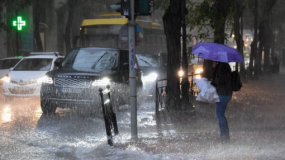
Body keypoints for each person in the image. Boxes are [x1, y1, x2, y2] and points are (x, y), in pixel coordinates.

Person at [211, 61, 232, 141]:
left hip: (223, 93)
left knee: (219, 114)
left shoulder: (221, 67)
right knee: (220, 114)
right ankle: (225, 134)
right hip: (226, 92)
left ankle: (224, 135)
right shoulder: (224, 65)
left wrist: (214, 69)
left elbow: (219, 80)